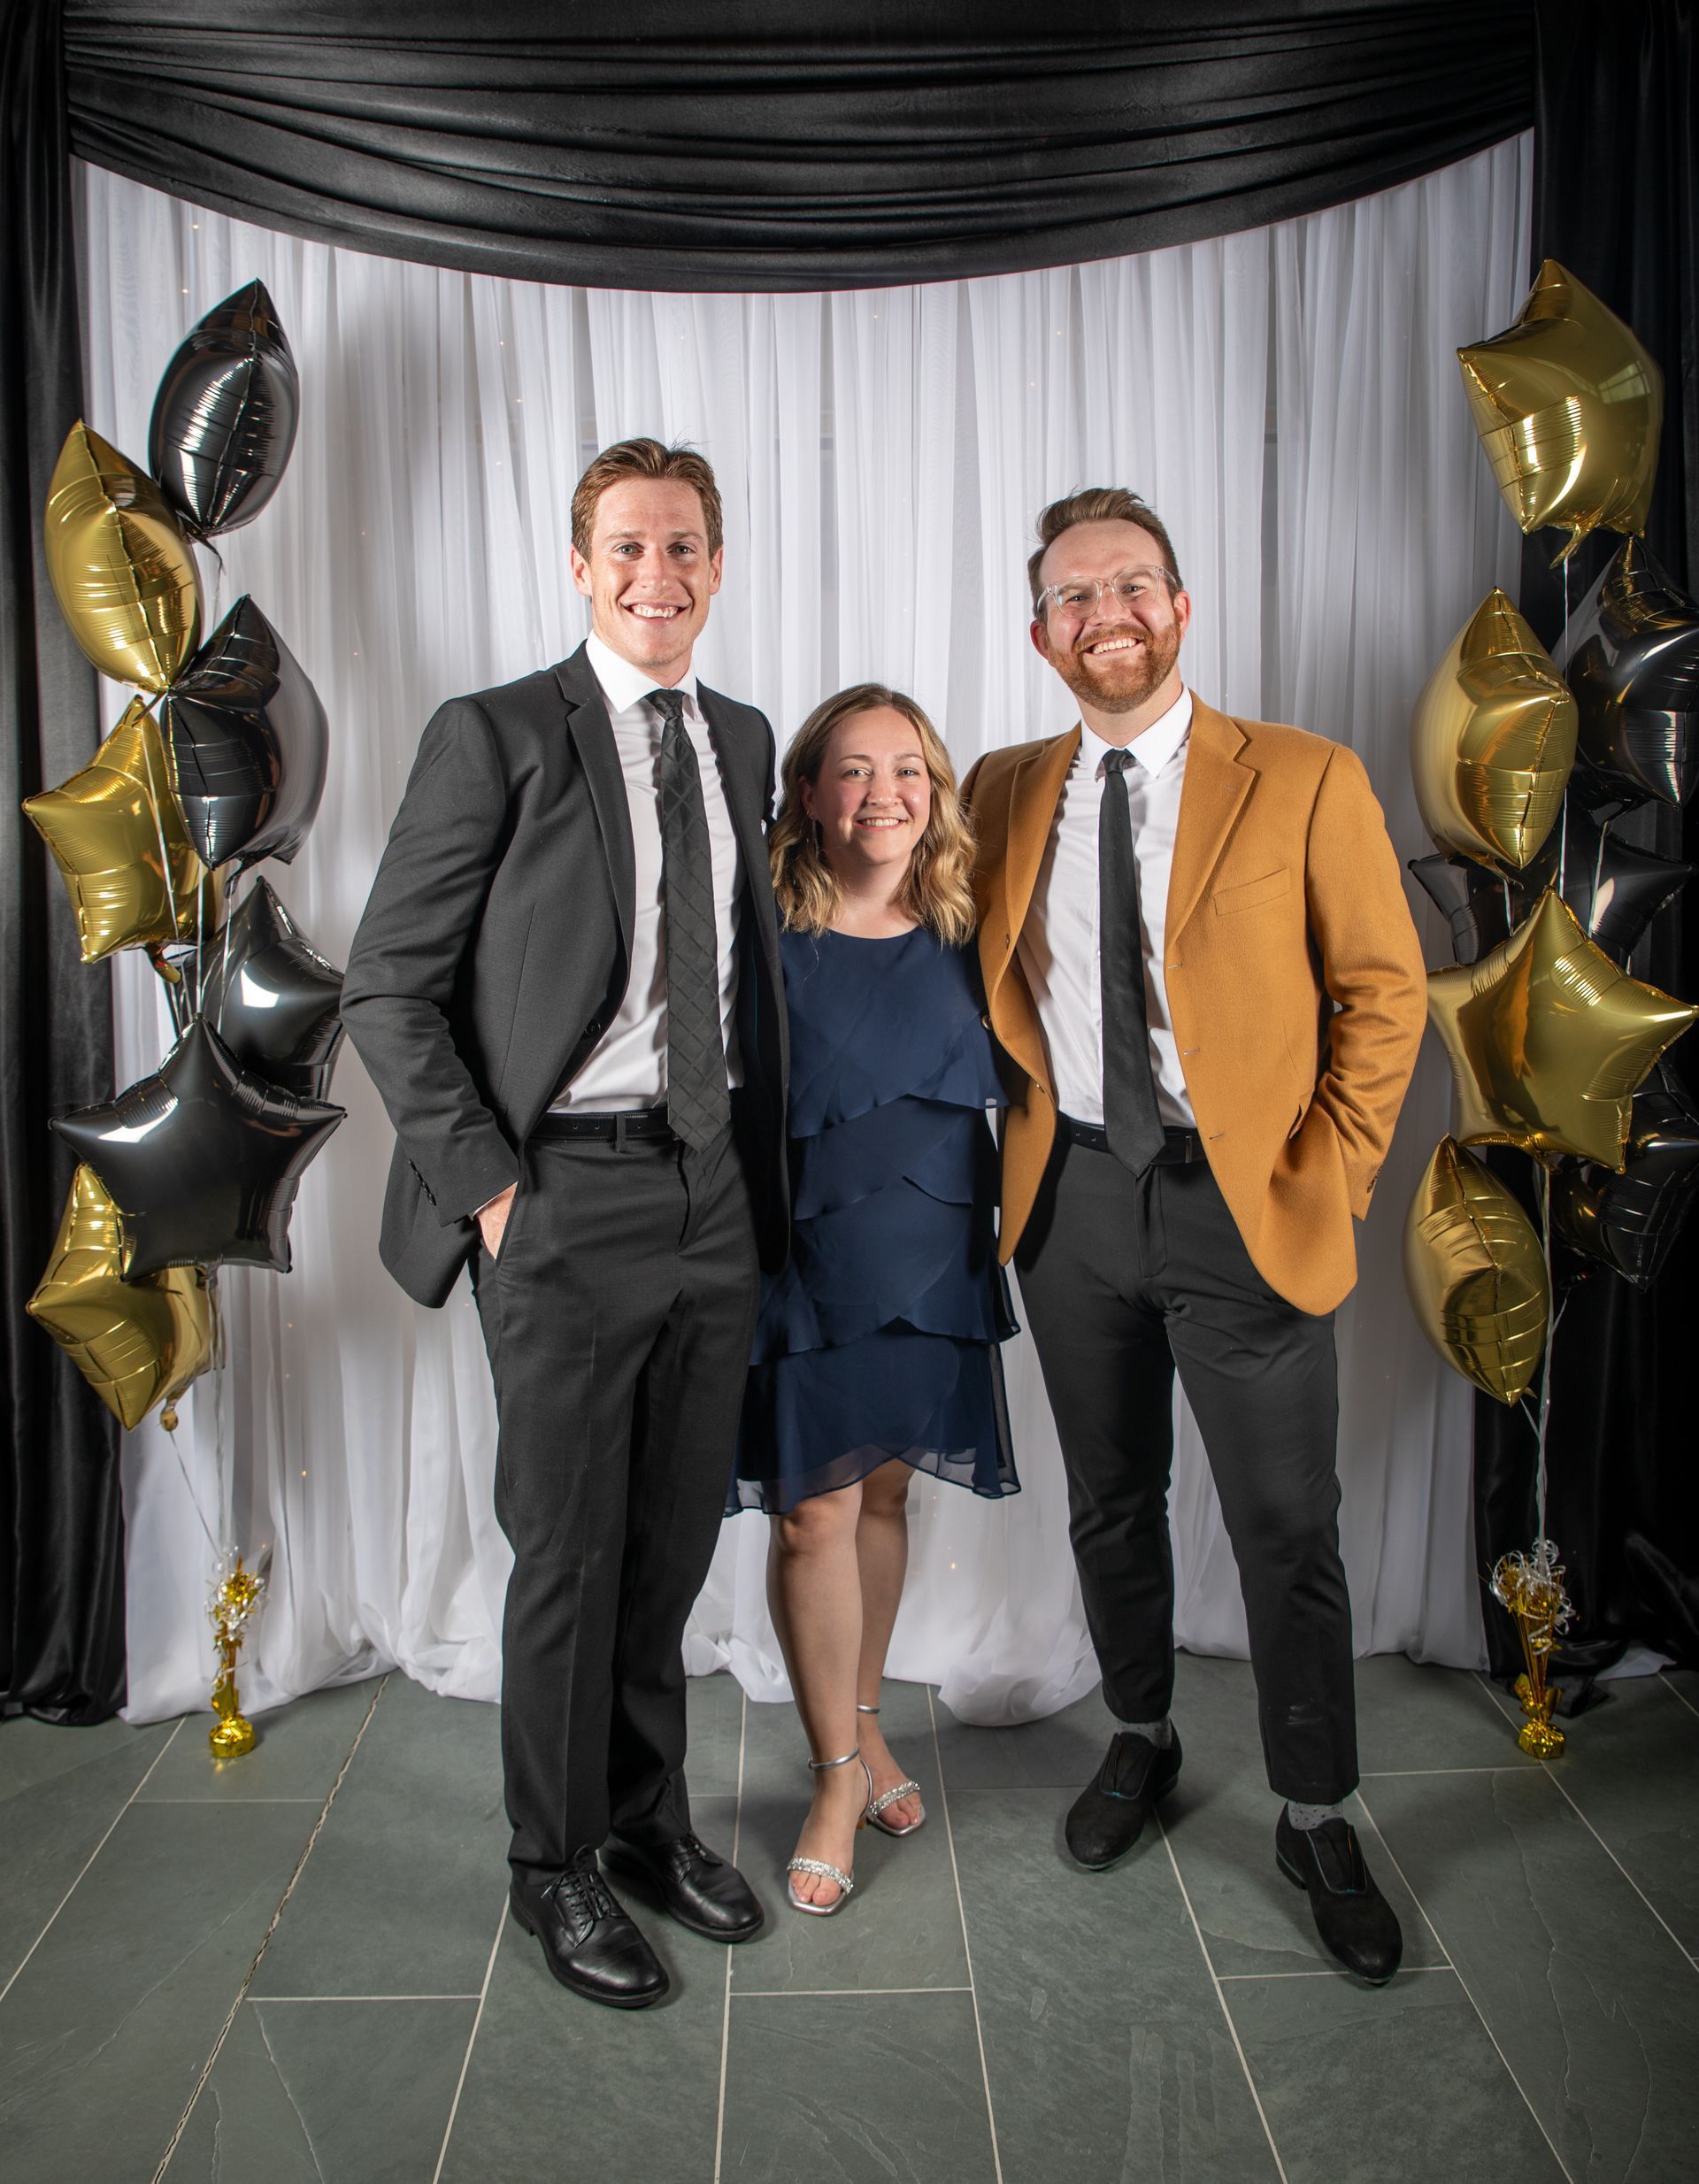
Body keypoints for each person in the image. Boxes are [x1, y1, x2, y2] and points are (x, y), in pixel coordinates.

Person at [341, 437, 788, 2011]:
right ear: (580, 567)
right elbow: (384, 984)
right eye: (626, 549)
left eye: (682, 549)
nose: (655, 576)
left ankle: (648, 1821)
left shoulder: (741, 737)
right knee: (568, 1549)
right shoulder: (499, 735)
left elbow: (738, 970)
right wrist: (494, 1188)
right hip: (560, 1194)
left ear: (716, 567)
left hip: (709, 1187)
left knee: (668, 1544)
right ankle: (553, 1866)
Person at [963, 488, 1426, 1984]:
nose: (1110, 614)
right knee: (1111, 1498)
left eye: (1135, 586)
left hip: (1250, 1207)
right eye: (1077, 597)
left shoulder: (1302, 777)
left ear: (1181, 607)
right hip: (1073, 1198)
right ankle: (1143, 1735)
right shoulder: (1002, 785)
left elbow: (1383, 993)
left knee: (1288, 1526)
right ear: (1042, 634)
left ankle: (1314, 1809)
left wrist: (1335, 1173)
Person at [730, 684, 1019, 1914]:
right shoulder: (762, 931)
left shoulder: (975, 925)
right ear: (807, 794)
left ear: (937, 792)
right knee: (813, 1517)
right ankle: (836, 1775)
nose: (882, 794)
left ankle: (867, 1723)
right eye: (852, 770)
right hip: (803, 1260)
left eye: (907, 770)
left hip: (937, 1249)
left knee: (888, 1489)